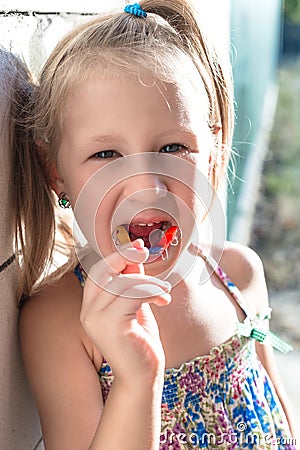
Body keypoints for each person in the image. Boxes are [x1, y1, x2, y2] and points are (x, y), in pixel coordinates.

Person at [13, 1, 297, 449]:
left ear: (213, 150)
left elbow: (279, 417)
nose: (146, 184)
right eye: (106, 155)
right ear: (56, 173)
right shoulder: (60, 323)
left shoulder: (239, 275)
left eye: (172, 146)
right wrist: (135, 378)